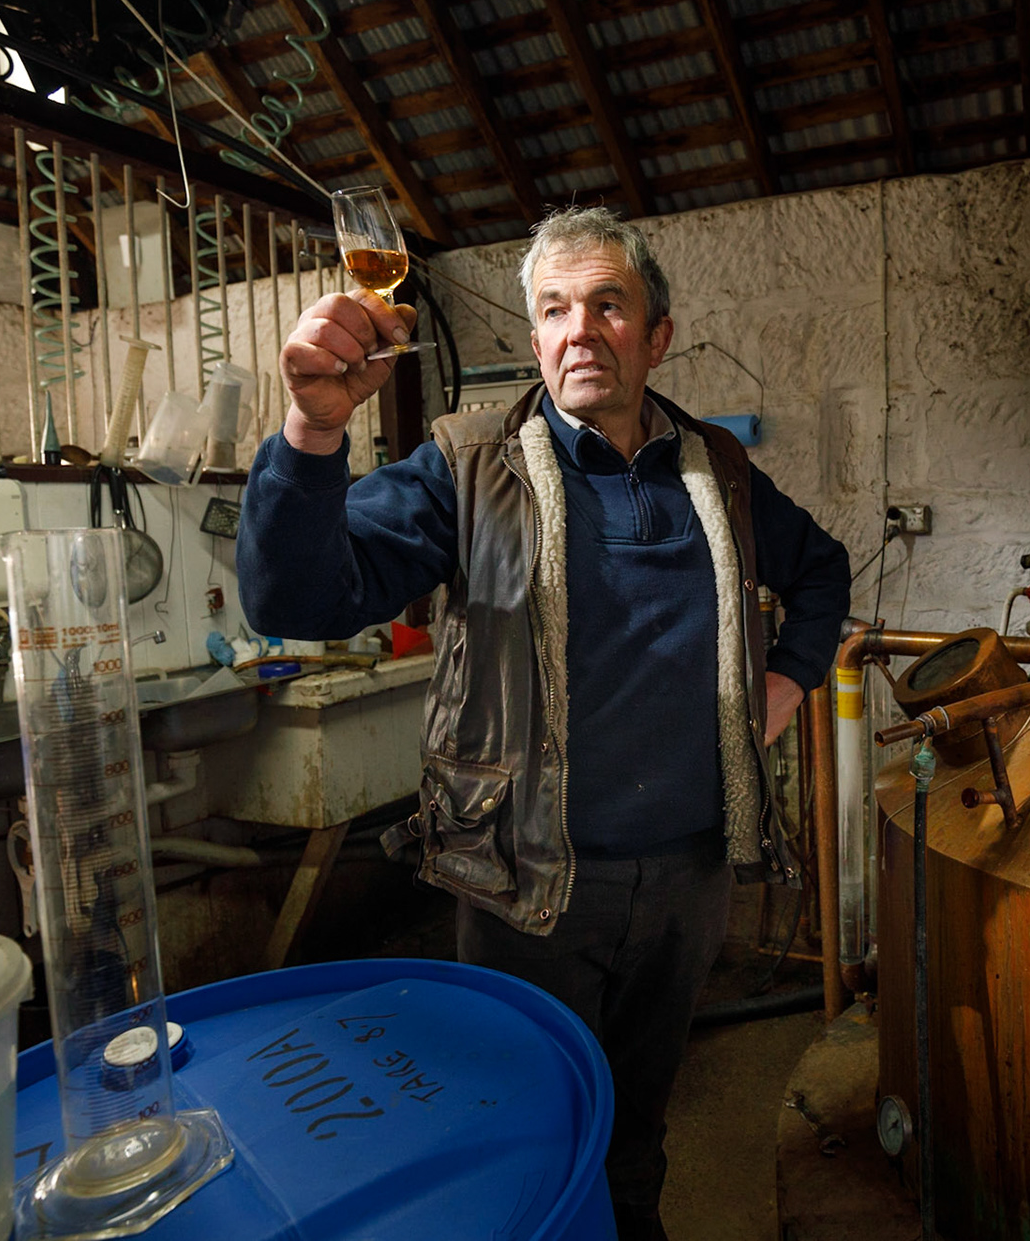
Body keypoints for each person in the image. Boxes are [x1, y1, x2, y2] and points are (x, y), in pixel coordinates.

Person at [236, 206, 851, 1240]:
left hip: (691, 880)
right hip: (528, 886)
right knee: (523, 1131)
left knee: (637, 1128)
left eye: (609, 304)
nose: (580, 329)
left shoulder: (720, 472)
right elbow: (293, 598)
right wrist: (313, 432)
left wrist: (787, 682)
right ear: (534, 338)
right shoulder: (469, 467)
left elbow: (822, 570)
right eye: (556, 309)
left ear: (655, 336)